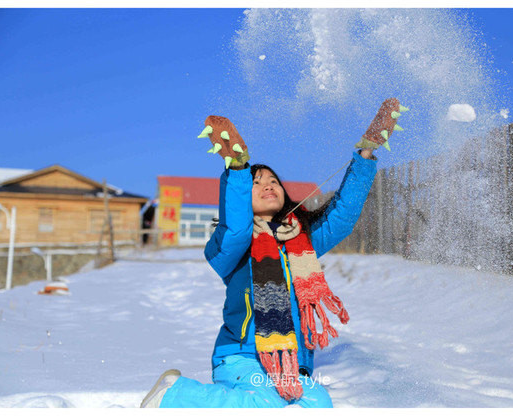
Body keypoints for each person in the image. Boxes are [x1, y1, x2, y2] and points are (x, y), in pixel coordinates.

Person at [140, 99, 406, 408]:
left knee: (318, 406)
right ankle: (175, 395)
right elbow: (237, 227)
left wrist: (366, 154)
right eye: (257, 182)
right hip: (241, 359)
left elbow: (342, 216)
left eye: (273, 180)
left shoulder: (302, 242)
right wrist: (239, 169)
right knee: (267, 404)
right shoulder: (234, 248)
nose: (268, 184)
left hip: (293, 366)